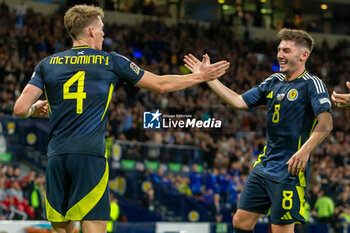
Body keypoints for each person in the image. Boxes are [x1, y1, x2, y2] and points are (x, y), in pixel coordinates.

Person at [13, 4, 229, 233]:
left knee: (60, 229)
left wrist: (34, 109)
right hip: (90, 155)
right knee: (94, 225)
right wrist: (199, 77)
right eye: (101, 28)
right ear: (91, 31)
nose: (104, 34)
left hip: (56, 155)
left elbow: (19, 109)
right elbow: (161, 85)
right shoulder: (110, 61)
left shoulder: (47, 64)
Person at [184, 28, 333, 233]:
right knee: (240, 222)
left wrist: (304, 151)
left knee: (280, 229)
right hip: (264, 165)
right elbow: (238, 101)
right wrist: (207, 78)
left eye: (287, 50)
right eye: (279, 49)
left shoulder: (312, 84)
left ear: (303, 55)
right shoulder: (273, 81)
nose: (280, 54)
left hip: (289, 170)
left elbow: (326, 123)